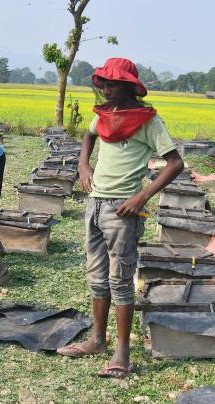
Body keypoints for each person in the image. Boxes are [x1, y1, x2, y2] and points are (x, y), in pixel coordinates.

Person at [56, 58, 184, 378]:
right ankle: (98, 340)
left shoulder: (148, 121)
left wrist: (142, 196)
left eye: (113, 84)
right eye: (104, 84)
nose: (106, 89)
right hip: (95, 204)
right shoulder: (104, 116)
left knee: (120, 280)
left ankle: (122, 352)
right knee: (96, 276)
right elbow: (88, 137)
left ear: (129, 86)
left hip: (122, 210)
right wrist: (83, 166)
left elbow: (175, 163)